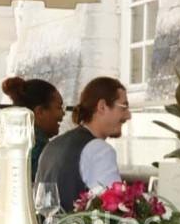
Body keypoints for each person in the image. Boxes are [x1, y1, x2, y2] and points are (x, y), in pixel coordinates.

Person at [34, 76, 131, 211]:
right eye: (124, 107)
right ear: (102, 106)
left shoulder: (51, 146)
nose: (128, 115)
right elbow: (114, 213)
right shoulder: (100, 150)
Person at [0, 76, 65, 193]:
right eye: (59, 107)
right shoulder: (38, 145)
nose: (63, 113)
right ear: (39, 112)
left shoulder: (8, 141)